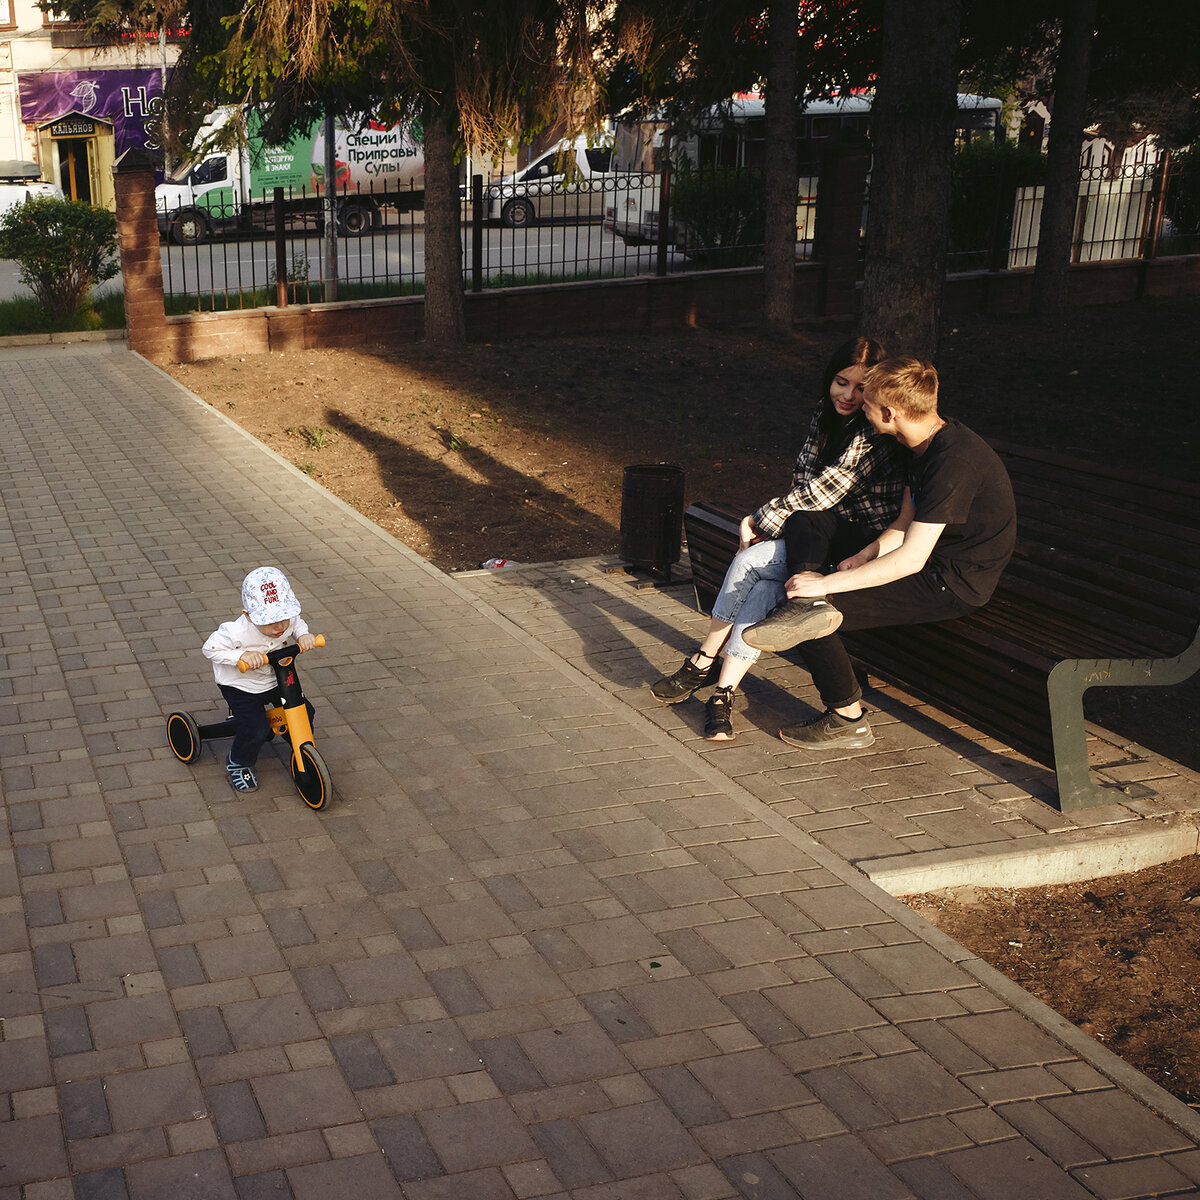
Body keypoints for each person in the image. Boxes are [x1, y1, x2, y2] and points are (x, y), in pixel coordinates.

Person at [742, 356, 1016, 750]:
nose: (861, 410)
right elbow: (904, 522)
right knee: (808, 520)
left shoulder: (954, 460)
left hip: (952, 582)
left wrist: (827, 584)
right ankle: (805, 602)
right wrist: (866, 554)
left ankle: (847, 720)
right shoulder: (917, 444)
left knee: (813, 614)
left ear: (889, 413)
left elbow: (911, 559)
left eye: (868, 405)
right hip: (924, 560)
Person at [650, 336, 906, 740]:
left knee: (752, 562)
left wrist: (759, 519)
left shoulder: (873, 430)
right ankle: (723, 690)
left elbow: (826, 491)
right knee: (765, 579)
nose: (848, 395)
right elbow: (804, 480)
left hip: (865, 544)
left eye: (860, 388)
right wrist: (775, 523)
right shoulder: (825, 414)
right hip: (819, 534)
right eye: (841, 382)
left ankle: (704, 661)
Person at [202, 566, 318, 791]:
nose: (279, 626)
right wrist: (241, 656)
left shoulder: (289, 620)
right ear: (249, 616)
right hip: (241, 685)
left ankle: (299, 744)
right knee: (255, 727)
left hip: (275, 678)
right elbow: (210, 649)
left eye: (283, 617)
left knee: (305, 711)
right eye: (270, 620)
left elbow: (297, 622)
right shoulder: (235, 632)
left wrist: (303, 635)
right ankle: (238, 762)